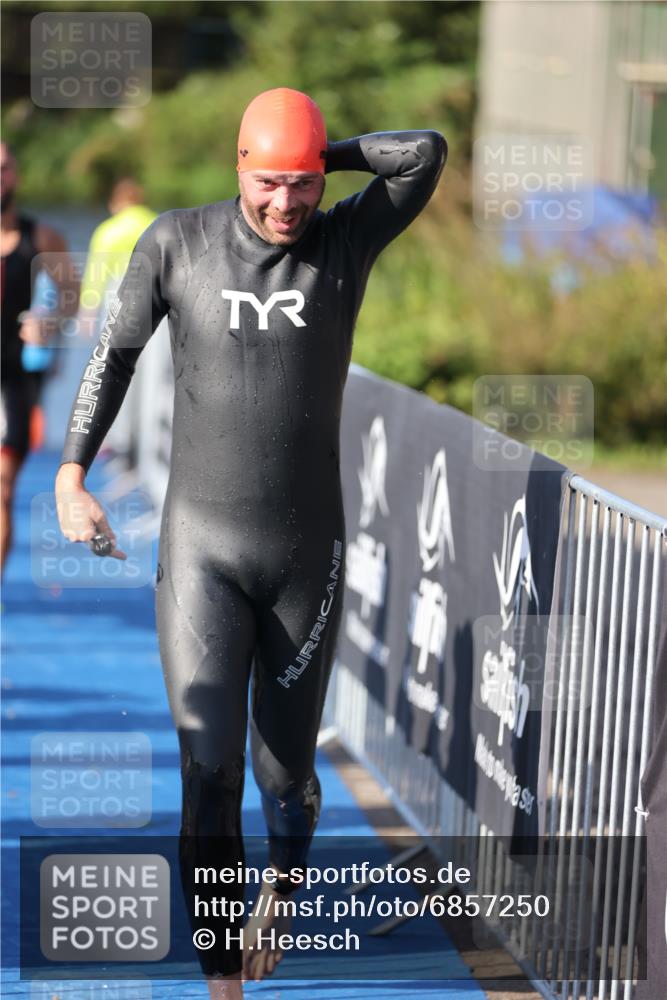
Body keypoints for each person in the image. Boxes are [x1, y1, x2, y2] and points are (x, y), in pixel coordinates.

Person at [55, 88, 446, 997]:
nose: (286, 204)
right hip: (202, 551)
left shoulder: (343, 241)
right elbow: (112, 356)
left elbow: (423, 152)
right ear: (238, 167)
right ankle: (221, 974)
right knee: (209, 769)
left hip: (305, 558)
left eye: (302, 185)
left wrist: (322, 155)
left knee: (284, 776)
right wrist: (73, 476)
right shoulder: (175, 243)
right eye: (269, 181)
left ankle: (285, 878)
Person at [1, 141, 78, 581]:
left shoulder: (41, 238)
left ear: (16, 176)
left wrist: (50, 322)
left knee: (3, 491)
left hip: (12, 379)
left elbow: (72, 294)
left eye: (4, 168)